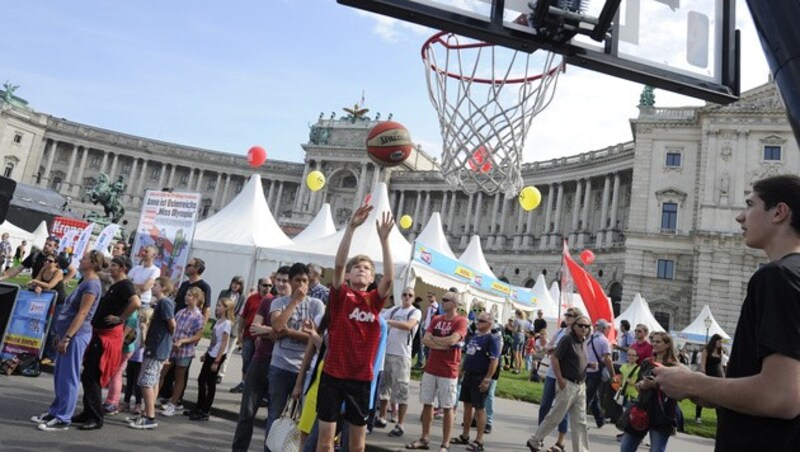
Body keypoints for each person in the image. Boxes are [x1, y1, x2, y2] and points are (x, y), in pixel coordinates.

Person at [655, 175, 800, 452]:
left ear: (779, 212)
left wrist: (695, 383)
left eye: (750, 204)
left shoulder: (777, 277)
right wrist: (710, 391)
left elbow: (781, 396)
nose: (740, 217)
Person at [315, 206, 394, 452]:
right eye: (357, 267)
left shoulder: (374, 300)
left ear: (372, 279)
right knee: (326, 441)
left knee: (357, 446)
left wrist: (384, 240)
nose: (362, 269)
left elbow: (389, 280)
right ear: (348, 275)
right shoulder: (341, 295)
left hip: (360, 380)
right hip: (333, 375)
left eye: (367, 268)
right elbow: (338, 265)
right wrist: (350, 228)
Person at [31, 250, 105, 431]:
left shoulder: (93, 285)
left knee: (69, 377)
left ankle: (63, 418)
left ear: (93, 263)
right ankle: (56, 410)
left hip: (76, 336)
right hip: (65, 334)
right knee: (60, 376)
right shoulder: (84, 282)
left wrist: (68, 337)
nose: (81, 259)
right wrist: (59, 334)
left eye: (85, 258)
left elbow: (83, 313)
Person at [72, 256, 141, 431]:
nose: (111, 268)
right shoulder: (116, 285)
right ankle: (88, 412)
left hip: (107, 337)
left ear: (124, 268)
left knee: (94, 375)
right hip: (99, 333)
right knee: (88, 374)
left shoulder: (126, 285)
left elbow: (136, 302)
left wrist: (120, 318)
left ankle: (96, 417)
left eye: (115, 265)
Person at [264, 263, 324, 452]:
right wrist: (294, 302)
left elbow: (315, 338)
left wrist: (288, 332)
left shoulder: (316, 304)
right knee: (276, 416)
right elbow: (277, 327)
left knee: (301, 422)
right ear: (290, 281)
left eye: (305, 280)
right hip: (280, 366)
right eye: (297, 280)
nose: (301, 284)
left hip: (305, 369)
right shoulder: (279, 302)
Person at [232, 267, 289, 452]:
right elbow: (254, 328)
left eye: (285, 280)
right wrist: (278, 332)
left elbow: (296, 335)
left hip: (283, 366)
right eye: (278, 280)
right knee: (247, 412)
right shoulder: (267, 301)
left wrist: (273, 331)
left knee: (274, 419)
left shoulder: (296, 306)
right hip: (261, 360)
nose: (280, 284)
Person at [406, 290, 467, 452]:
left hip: (449, 370)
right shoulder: (436, 319)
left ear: (455, 304)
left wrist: (436, 341)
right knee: (427, 403)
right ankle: (424, 438)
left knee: (447, 407)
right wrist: (443, 344)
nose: (443, 302)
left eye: (446, 300)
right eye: (442, 299)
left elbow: (454, 339)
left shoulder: (461, 321)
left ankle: (445, 443)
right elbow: (426, 339)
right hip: (431, 368)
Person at [526, 314, 592, 452]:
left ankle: (581, 450)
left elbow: (576, 361)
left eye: (587, 326)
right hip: (568, 383)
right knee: (556, 416)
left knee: (580, 422)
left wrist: (589, 365)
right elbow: (555, 358)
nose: (584, 328)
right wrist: (560, 379)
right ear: (574, 326)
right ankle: (535, 440)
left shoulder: (582, 342)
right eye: (581, 325)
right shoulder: (567, 340)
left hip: (580, 385)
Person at [619, 332, 682, 452]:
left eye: (658, 342)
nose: (654, 344)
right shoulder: (647, 362)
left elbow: (678, 390)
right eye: (653, 341)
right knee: (626, 446)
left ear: (667, 344)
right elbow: (637, 385)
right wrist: (641, 385)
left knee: (657, 449)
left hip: (662, 411)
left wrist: (655, 385)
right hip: (642, 407)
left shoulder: (674, 365)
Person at [129, 277, 176, 429]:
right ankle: (147, 413)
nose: (152, 287)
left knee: (145, 382)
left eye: (155, 285)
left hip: (157, 348)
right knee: (153, 381)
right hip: (156, 346)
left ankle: (150, 416)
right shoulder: (160, 303)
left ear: (163, 287)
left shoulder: (164, 302)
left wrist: (165, 340)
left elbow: (172, 324)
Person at [376, 286, 421, 437]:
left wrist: (389, 321)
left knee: (401, 390)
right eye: (404, 294)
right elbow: (379, 317)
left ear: (413, 298)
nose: (407, 297)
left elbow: (409, 325)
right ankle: (381, 417)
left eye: (410, 295)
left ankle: (400, 424)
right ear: (400, 296)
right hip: (387, 352)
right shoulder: (394, 310)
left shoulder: (415, 312)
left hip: (402, 356)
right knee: (384, 387)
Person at [536, 307, 582, 452]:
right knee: (545, 406)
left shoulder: (578, 337)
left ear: (577, 318)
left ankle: (560, 442)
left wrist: (555, 349)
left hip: (566, 376)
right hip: (552, 373)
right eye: (566, 314)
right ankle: (539, 437)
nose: (567, 317)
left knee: (562, 409)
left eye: (571, 315)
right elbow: (548, 346)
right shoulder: (560, 331)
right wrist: (551, 347)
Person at [452, 312, 500, 452]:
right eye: (477, 320)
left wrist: (487, 379)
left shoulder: (492, 339)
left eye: (482, 321)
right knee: (467, 407)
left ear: (489, 324)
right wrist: (461, 370)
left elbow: (494, 360)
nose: (477, 323)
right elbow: (468, 354)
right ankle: (465, 435)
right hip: (469, 375)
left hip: (480, 376)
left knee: (479, 409)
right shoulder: (474, 337)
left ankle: (479, 440)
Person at [159, 287, 205, 417]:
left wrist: (183, 341)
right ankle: (153, 397)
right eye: (186, 294)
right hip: (172, 348)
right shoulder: (180, 312)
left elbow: (198, 336)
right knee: (162, 372)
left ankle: (173, 404)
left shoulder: (198, 316)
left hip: (185, 351)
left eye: (190, 295)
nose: (186, 297)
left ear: (196, 299)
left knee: (179, 377)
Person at [188, 297, 235, 420]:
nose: (217, 307)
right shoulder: (219, 321)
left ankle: (205, 410)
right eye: (217, 305)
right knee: (201, 380)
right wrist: (206, 352)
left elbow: (224, 343)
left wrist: (217, 361)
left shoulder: (226, 324)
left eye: (220, 306)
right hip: (212, 353)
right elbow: (214, 340)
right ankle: (199, 406)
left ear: (226, 308)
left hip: (218, 356)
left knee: (210, 382)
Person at [230, 275, 273, 393]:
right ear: (259, 285)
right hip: (249, 336)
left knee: (259, 363)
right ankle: (244, 383)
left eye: (270, 286)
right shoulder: (252, 299)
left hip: (264, 338)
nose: (267, 288)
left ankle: (255, 386)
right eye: (265, 285)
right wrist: (240, 333)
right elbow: (243, 317)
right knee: (246, 360)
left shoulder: (273, 300)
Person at [584, 319, 615, 429]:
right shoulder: (604, 340)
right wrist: (613, 374)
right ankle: (581, 421)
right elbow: (608, 359)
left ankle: (599, 419)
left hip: (586, 370)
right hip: (596, 372)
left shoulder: (588, 338)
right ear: (605, 329)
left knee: (593, 396)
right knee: (589, 397)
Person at [217, 275, 244, 382]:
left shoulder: (242, 298)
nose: (235, 285)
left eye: (237, 284)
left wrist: (230, 323)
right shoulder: (224, 292)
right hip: (221, 325)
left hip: (233, 328)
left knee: (227, 353)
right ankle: (214, 369)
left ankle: (220, 374)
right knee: (218, 349)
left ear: (240, 286)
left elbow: (240, 313)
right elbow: (218, 306)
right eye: (234, 282)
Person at [695, 334, 725, 424]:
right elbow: (703, 363)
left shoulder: (721, 351)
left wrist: (723, 377)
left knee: (719, 398)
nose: (720, 343)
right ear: (714, 341)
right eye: (719, 341)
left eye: (721, 342)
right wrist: (703, 374)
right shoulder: (707, 350)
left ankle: (719, 418)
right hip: (708, 374)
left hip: (719, 376)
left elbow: (721, 365)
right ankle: (698, 416)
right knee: (702, 396)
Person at [417, 291, 439, 368]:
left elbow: (434, 318)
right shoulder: (430, 306)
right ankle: (425, 364)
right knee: (424, 348)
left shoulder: (435, 306)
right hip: (426, 327)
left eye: (431, 296)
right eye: (428, 296)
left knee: (427, 348)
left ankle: (428, 364)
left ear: (434, 296)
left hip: (430, 329)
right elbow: (426, 316)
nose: (429, 298)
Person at [512, 309, 529, 374]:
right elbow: (526, 330)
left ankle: (516, 369)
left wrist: (511, 329)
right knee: (520, 354)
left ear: (517, 314)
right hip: (522, 336)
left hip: (517, 336)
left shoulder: (516, 320)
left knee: (515, 353)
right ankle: (519, 369)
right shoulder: (525, 321)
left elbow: (515, 330)